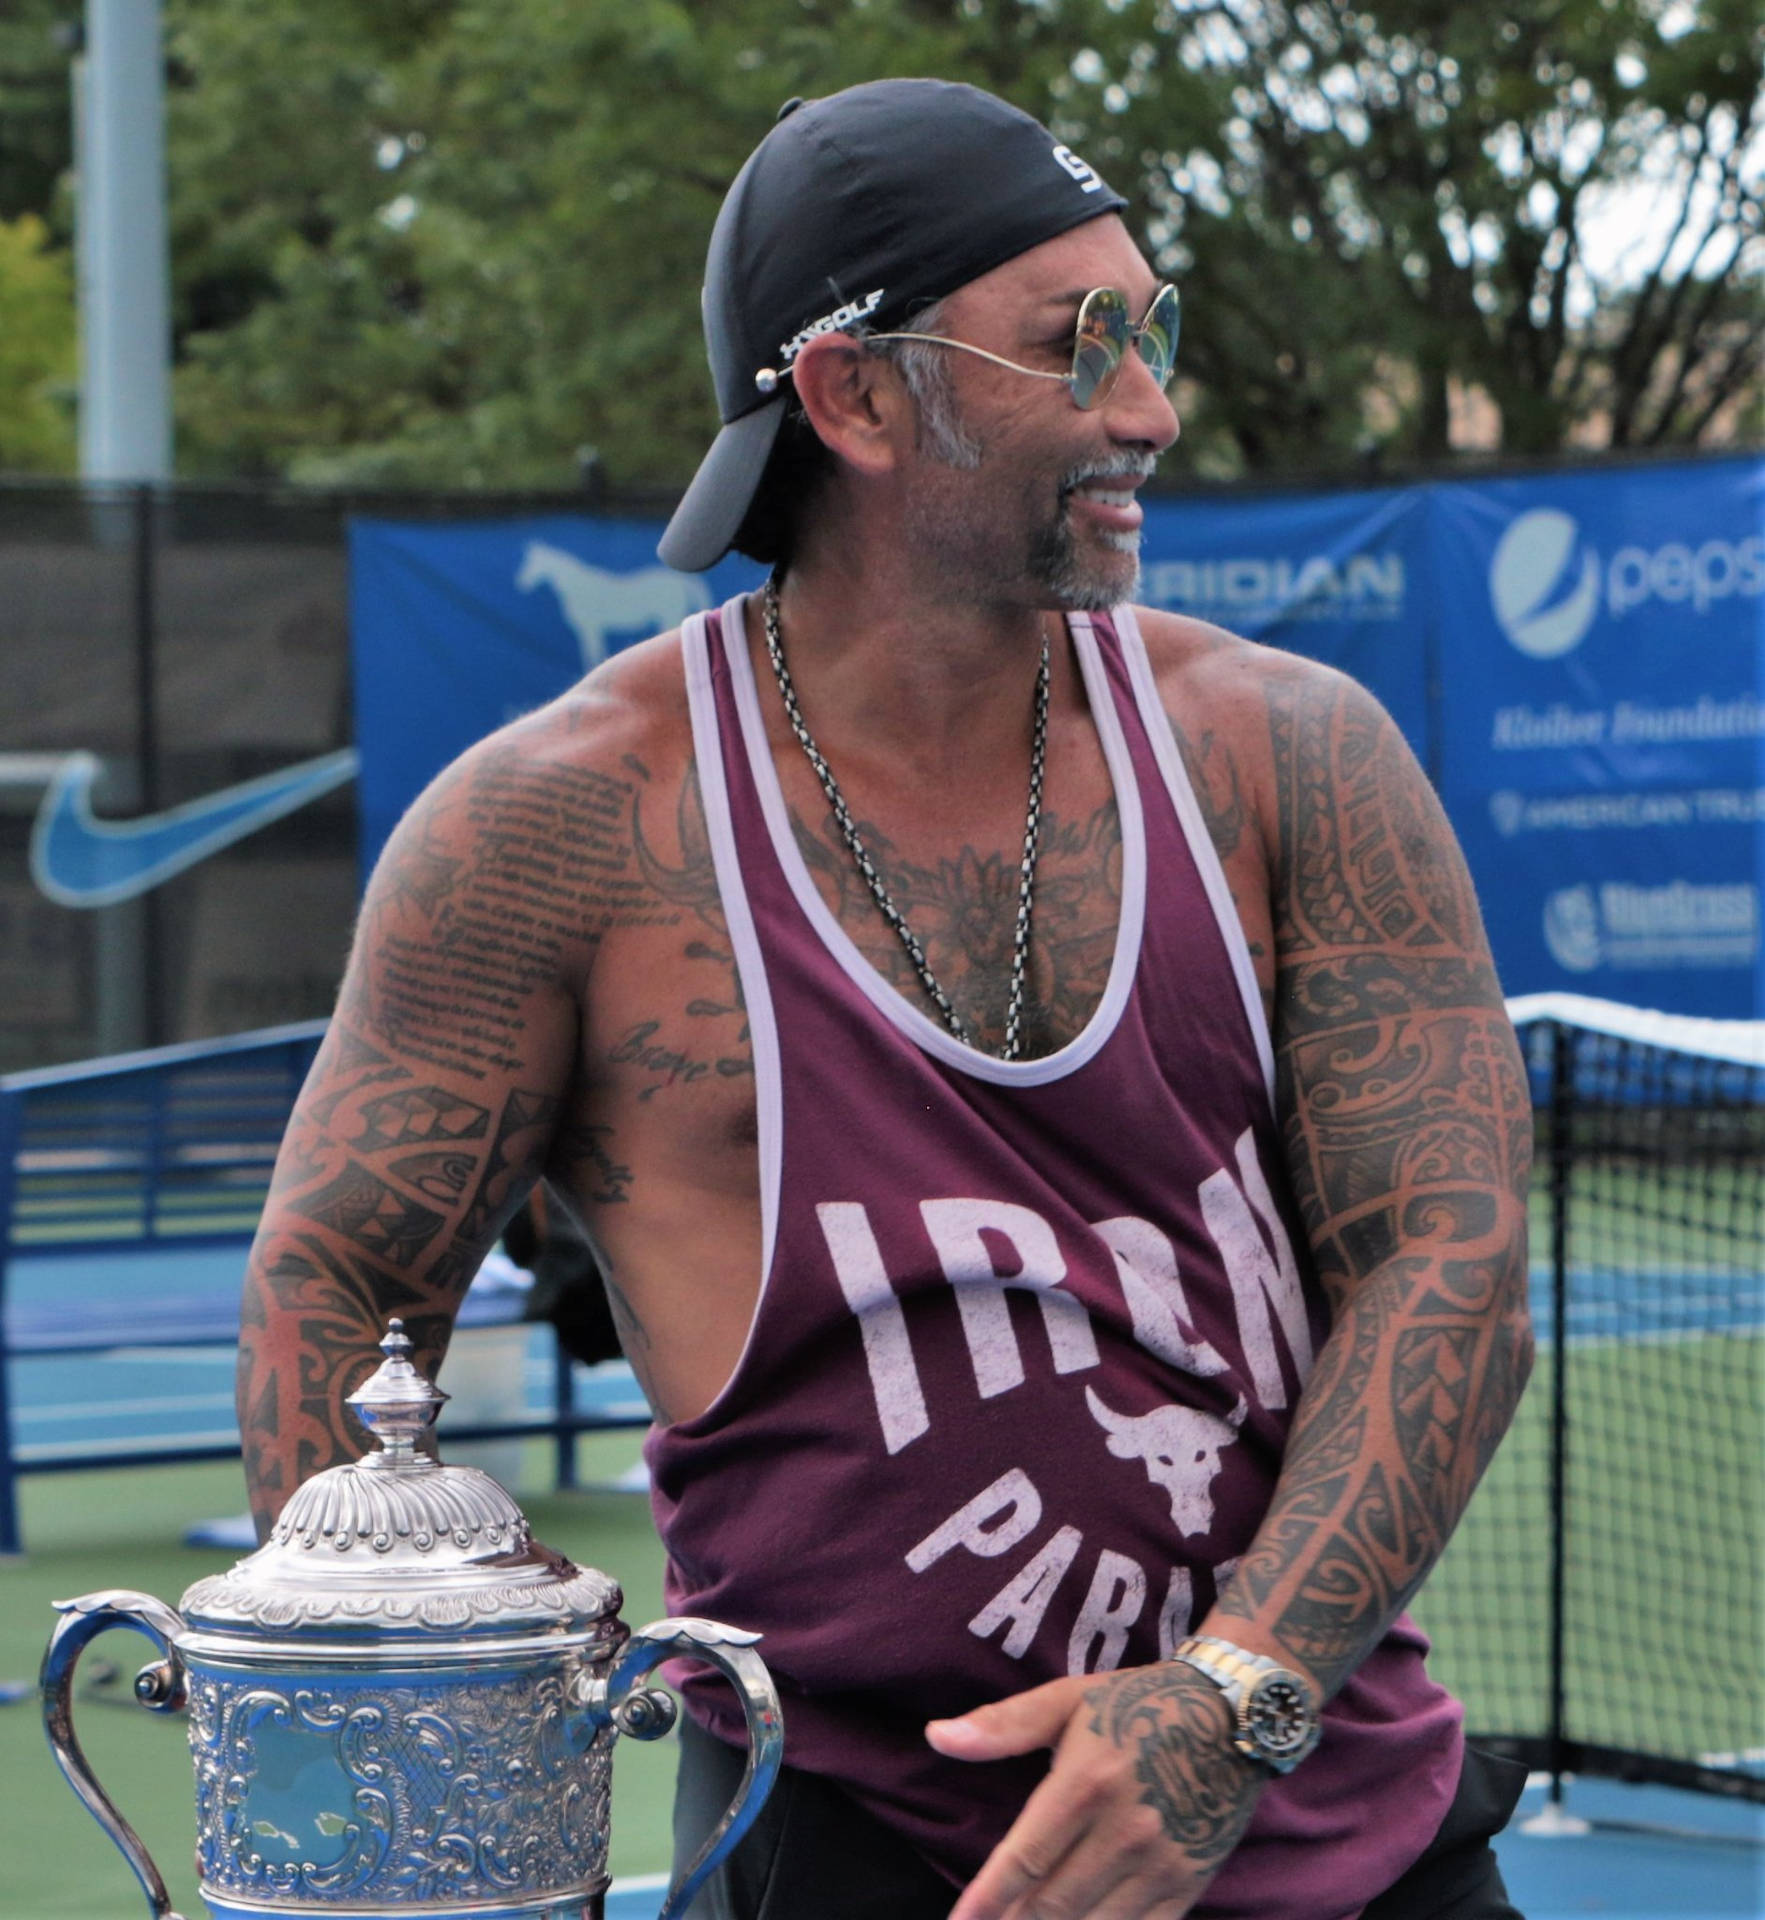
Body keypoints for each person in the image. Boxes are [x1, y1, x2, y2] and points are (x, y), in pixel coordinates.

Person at [237, 77, 1535, 1920]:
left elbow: (1453, 1263)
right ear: (851, 392)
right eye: (1076, 343)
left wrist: (1230, 1703)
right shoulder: (553, 834)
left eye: (1152, 329)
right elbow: (332, 1292)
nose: (1149, 407)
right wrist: (500, 1714)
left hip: (1318, 1811)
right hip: (830, 1851)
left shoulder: (1287, 755)